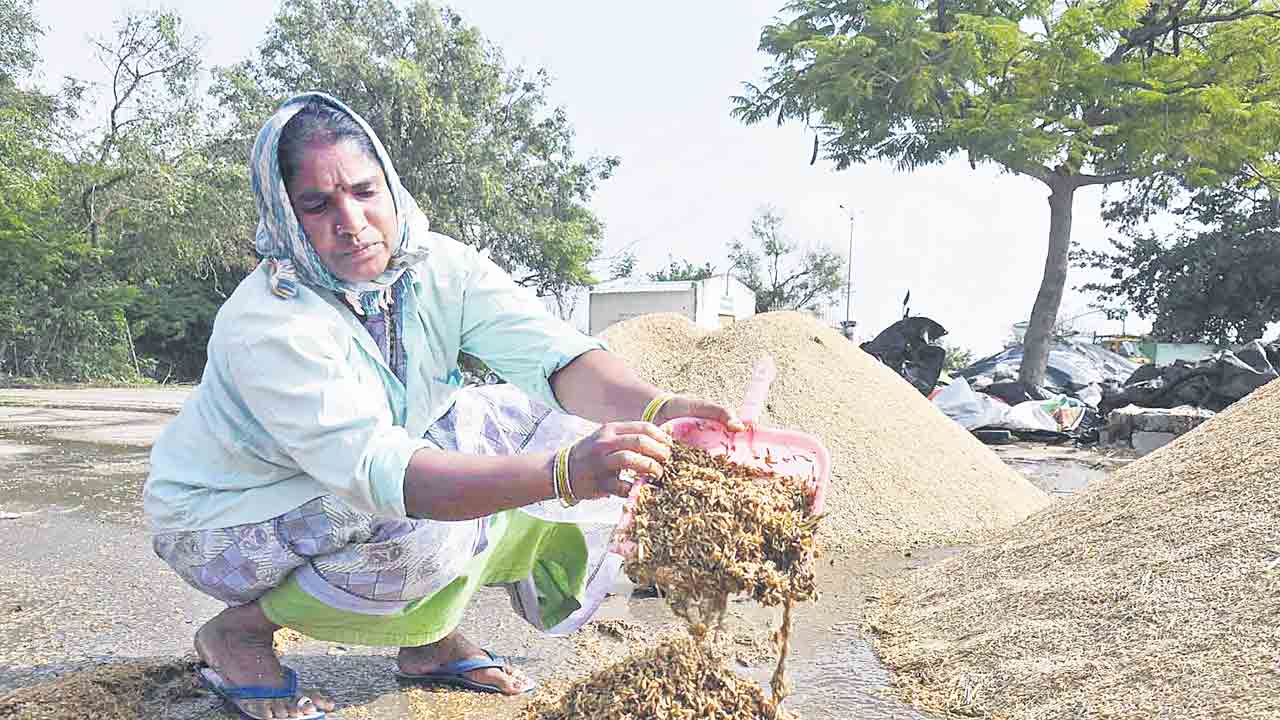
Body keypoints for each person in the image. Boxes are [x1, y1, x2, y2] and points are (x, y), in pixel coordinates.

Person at [143, 92, 743, 720]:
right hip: (226, 523)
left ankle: (427, 642)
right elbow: (384, 473)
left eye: (364, 191)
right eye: (317, 205)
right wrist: (565, 474)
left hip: (360, 478)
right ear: (285, 215)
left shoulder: (435, 268)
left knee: (567, 429)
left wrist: (658, 411)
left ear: (390, 186)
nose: (351, 221)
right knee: (430, 529)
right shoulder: (269, 323)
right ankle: (239, 632)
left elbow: (555, 359)